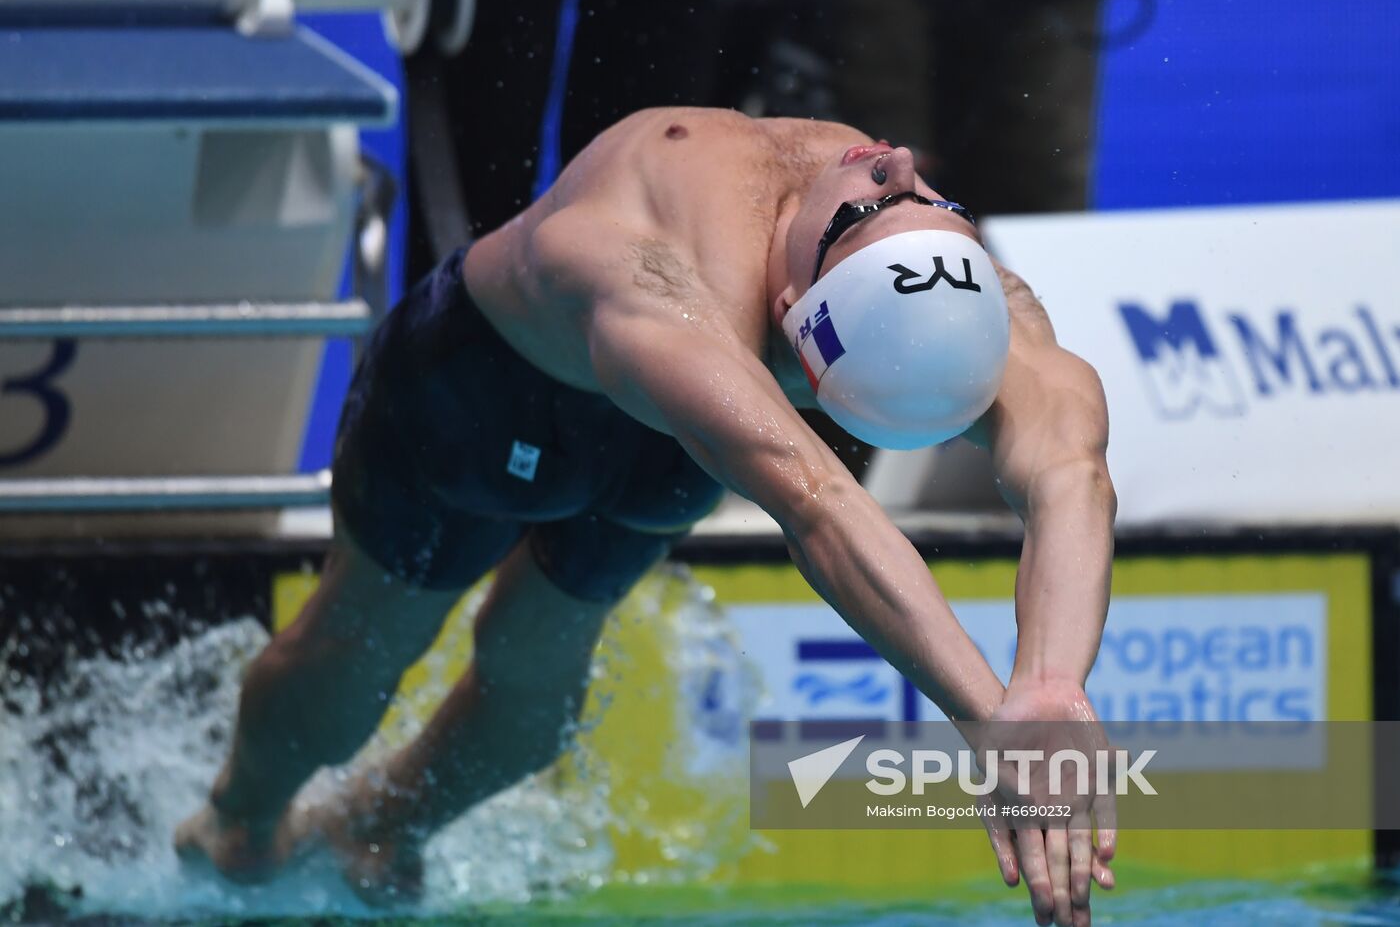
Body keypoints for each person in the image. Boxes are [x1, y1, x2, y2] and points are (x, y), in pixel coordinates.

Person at [176, 107, 1118, 927]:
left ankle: (376, 827)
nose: (897, 165)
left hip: (669, 442)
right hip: (485, 395)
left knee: (535, 681)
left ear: (798, 313)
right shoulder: (657, 256)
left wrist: (1047, 692)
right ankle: (239, 821)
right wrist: (996, 715)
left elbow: (1063, 469)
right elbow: (822, 501)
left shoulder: (917, 289)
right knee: (363, 651)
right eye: (910, 200)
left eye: (882, 207)